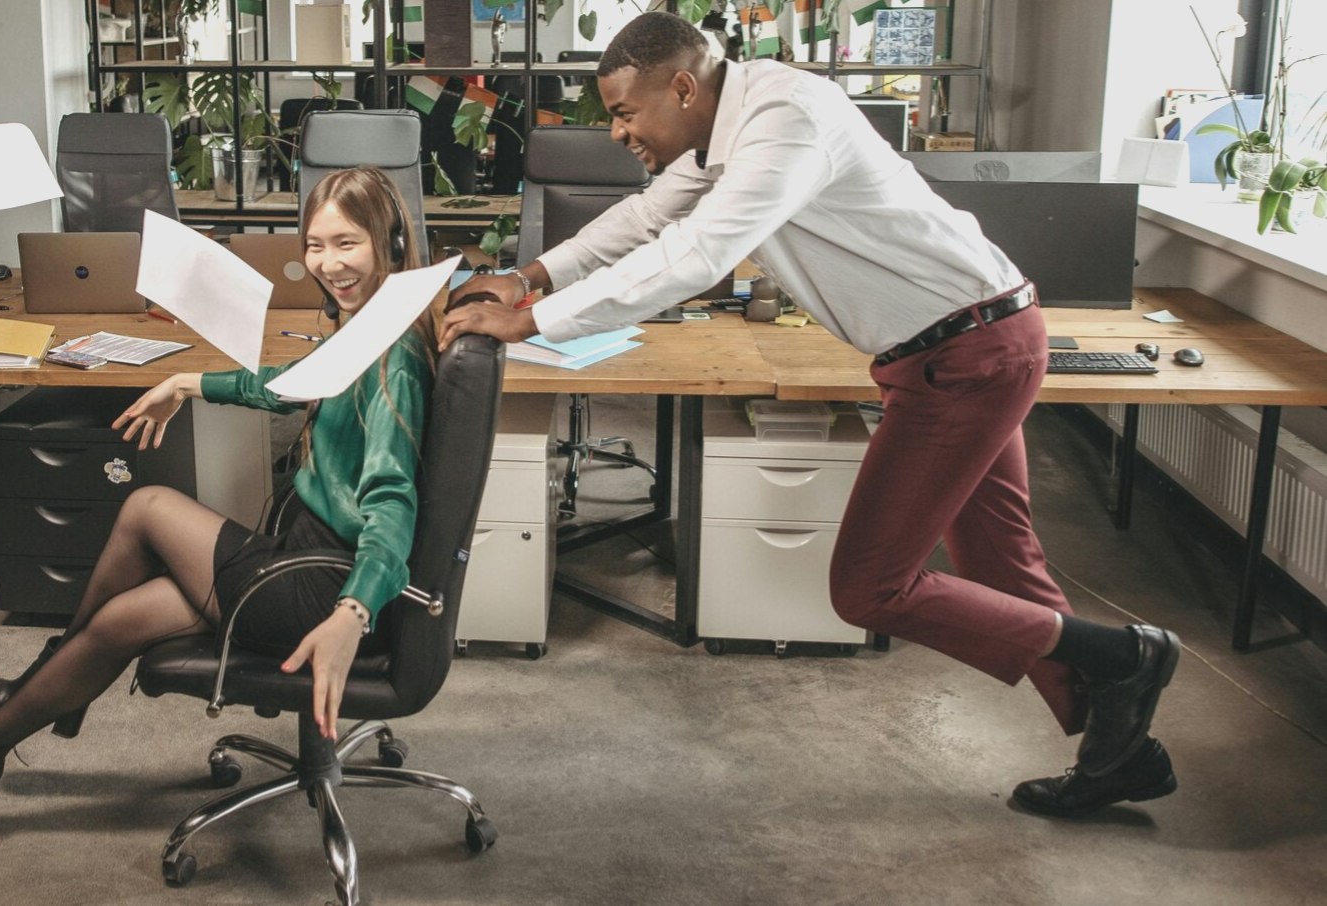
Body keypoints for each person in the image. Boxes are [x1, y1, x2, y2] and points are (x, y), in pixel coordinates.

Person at [441, 12, 1181, 818]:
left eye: (624, 112)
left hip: (966, 357)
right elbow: (648, 217)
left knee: (868, 587)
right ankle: (1118, 751)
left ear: (682, 86)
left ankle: (1126, 656)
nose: (617, 131)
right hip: (954, 348)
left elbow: (695, 255)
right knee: (1001, 565)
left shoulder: (784, 120)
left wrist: (533, 322)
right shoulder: (725, 131)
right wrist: (532, 277)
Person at [0, 167, 438, 816]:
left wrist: (350, 615)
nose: (327, 263)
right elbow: (292, 380)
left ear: (389, 242)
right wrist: (188, 383)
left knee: (146, 506)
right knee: (118, 621)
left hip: (316, 590)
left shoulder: (395, 361)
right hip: (298, 560)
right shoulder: (370, 330)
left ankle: (45, 682)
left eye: (346, 243)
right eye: (314, 244)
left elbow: (394, 505)